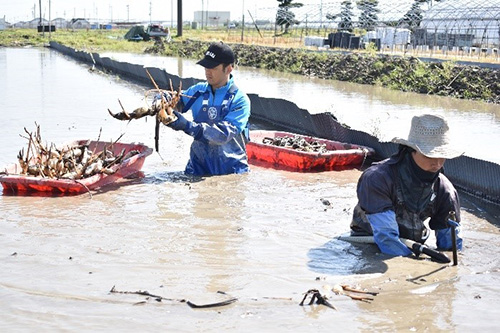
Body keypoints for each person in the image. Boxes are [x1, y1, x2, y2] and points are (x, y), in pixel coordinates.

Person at [350, 114, 463, 257]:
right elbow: (387, 237)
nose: (438, 163)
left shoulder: (445, 191)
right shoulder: (377, 178)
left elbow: (451, 245)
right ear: (411, 151)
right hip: (367, 240)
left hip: (412, 242)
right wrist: (410, 264)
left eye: (442, 156)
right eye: (430, 156)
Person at [157, 41, 251, 176]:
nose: (207, 72)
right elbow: (177, 102)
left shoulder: (239, 100)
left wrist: (187, 126)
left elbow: (222, 134)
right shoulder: (198, 91)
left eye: (213, 67)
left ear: (229, 68)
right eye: (206, 67)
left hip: (230, 172)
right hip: (197, 167)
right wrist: (162, 99)